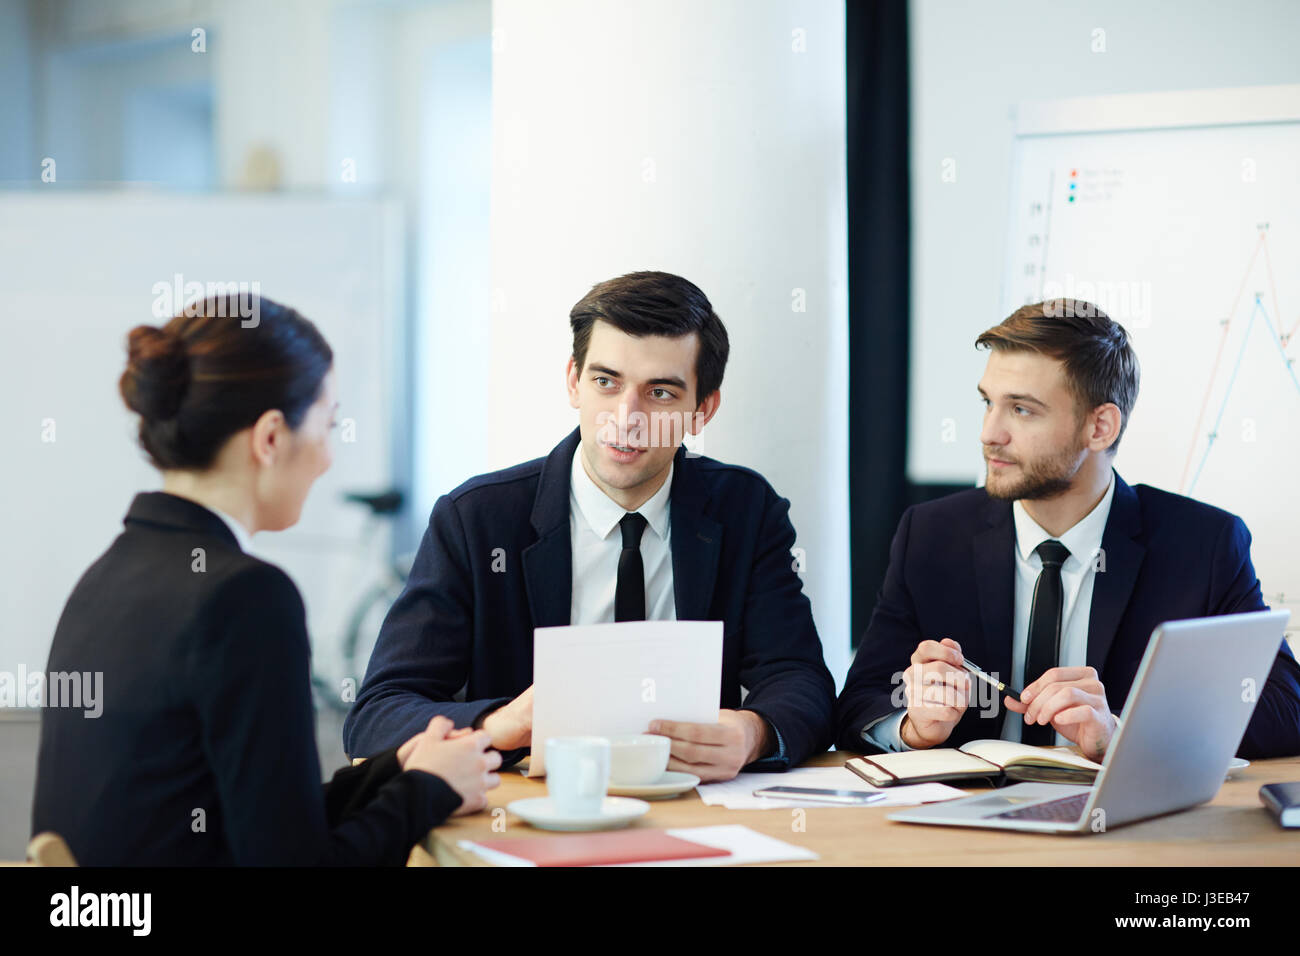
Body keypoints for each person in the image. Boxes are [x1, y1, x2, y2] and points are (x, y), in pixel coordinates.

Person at [32, 295, 500, 866]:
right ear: (271, 438)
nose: (328, 458)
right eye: (327, 426)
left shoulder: (108, 573)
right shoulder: (246, 596)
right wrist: (429, 791)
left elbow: (269, 819)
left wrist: (398, 770)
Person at [344, 271, 836, 781]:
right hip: (528, 815)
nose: (626, 418)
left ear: (702, 410)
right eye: (606, 382)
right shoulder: (477, 519)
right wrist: (501, 723)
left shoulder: (746, 510)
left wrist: (752, 734)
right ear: (573, 382)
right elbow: (378, 713)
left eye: (661, 393)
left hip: (693, 805)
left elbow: (801, 680)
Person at [836, 299, 1300, 761]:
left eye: (1021, 410)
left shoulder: (1204, 544)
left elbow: (1286, 710)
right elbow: (858, 706)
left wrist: (1120, 732)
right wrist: (916, 728)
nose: (989, 433)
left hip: (1121, 825)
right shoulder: (933, 534)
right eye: (988, 403)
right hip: (963, 819)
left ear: (1100, 427)